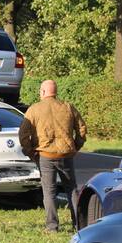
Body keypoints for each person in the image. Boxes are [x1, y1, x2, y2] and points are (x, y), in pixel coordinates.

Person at [18, 79, 87, 233]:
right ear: (55, 92)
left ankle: (52, 226)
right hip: (66, 154)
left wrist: (31, 152)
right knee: (72, 190)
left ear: (43, 92)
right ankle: (79, 225)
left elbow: (23, 134)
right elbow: (82, 128)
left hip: (45, 155)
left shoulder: (34, 109)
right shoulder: (68, 107)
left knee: (49, 192)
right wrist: (76, 146)